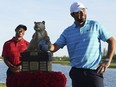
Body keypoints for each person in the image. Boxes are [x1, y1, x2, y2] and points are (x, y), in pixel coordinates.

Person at [49, 2, 116, 87]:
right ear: (72, 15)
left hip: (94, 72)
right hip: (77, 73)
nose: (82, 13)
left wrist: (107, 61)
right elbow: (54, 47)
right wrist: (46, 43)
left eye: (83, 10)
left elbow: (112, 41)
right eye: (78, 11)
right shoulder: (67, 32)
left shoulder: (95, 25)